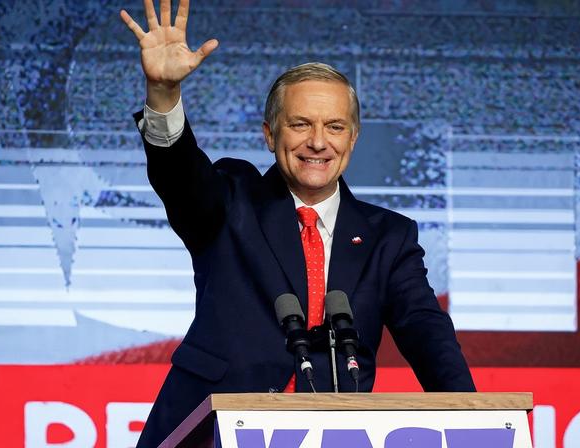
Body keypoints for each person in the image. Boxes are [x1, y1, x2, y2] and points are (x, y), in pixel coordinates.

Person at [120, 1, 475, 446]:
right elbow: (180, 178)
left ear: (354, 137)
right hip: (208, 431)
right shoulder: (232, 200)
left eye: (335, 127)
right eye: (301, 124)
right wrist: (164, 95)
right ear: (270, 134)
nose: (318, 142)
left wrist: (471, 420)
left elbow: (428, 333)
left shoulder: (389, 236)